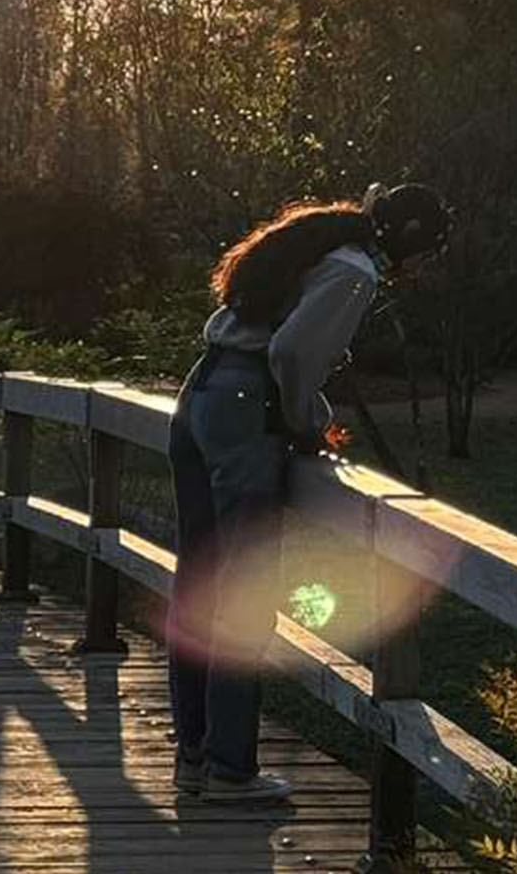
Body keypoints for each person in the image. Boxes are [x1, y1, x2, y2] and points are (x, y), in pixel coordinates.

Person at [166, 182, 452, 802]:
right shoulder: (354, 273)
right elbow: (292, 354)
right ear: (408, 242)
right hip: (246, 411)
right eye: (427, 254)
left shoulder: (324, 247)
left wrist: (303, 409)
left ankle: (194, 756)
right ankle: (229, 770)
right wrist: (304, 423)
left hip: (203, 394)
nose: (423, 269)